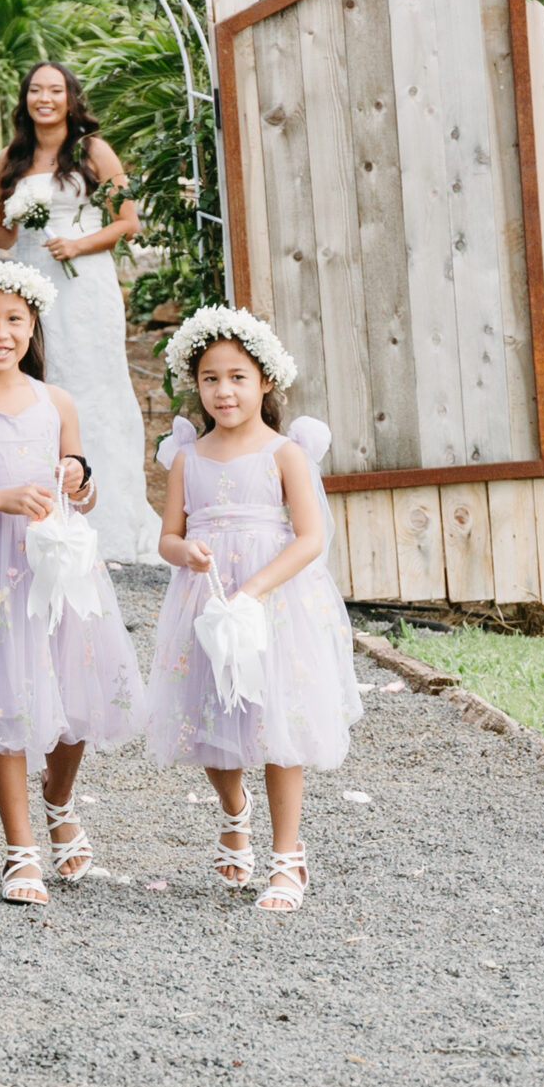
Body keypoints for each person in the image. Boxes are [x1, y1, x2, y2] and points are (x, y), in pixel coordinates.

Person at [0, 262, 147, 905]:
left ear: (34, 324)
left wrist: (81, 480)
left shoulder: (56, 401)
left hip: (61, 567)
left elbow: (83, 493)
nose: (0, 332)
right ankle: (21, 851)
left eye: (14, 319)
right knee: (5, 698)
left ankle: (59, 795)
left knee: (76, 695)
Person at [140, 306, 363, 914]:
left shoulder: (285, 453)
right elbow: (166, 537)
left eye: (237, 377)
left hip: (274, 601)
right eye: (210, 378)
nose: (223, 390)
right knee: (212, 719)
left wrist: (255, 589)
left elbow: (312, 538)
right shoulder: (188, 456)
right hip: (207, 598)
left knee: (275, 724)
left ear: (264, 381)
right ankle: (234, 806)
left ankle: (287, 857)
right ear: (196, 385)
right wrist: (184, 549)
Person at [0, 61, 161, 564]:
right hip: (31, 285)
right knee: (40, 384)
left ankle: (109, 517)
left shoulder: (92, 150)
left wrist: (79, 245)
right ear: (25, 98)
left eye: (55, 90)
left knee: (93, 389)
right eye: (36, 90)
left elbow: (129, 220)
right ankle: (41, 511)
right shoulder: (12, 156)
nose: (45, 98)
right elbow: (7, 235)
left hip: (85, 287)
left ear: (71, 98)